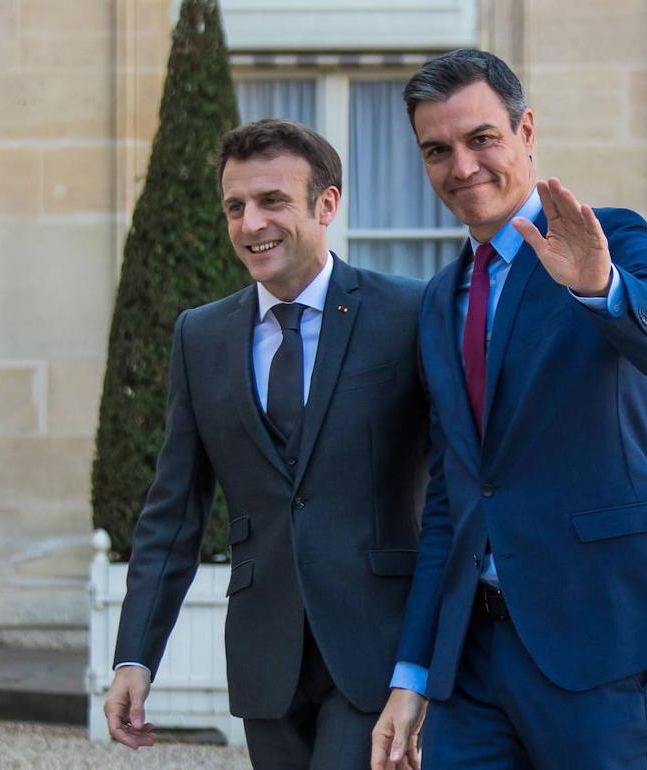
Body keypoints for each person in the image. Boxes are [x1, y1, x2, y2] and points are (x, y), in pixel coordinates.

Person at [370, 49, 647, 770]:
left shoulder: (610, 237)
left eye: (482, 138)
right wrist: (413, 672)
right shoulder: (438, 303)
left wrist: (600, 285)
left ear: (525, 131)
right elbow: (451, 498)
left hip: (599, 638)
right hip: (471, 661)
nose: (463, 167)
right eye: (437, 150)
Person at [105, 119, 428, 770]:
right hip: (264, 655)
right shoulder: (201, 336)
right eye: (235, 207)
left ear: (327, 204)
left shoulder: (407, 313)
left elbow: (456, 480)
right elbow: (174, 512)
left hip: (376, 647)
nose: (251, 223)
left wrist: (430, 662)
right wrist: (135, 655)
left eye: (271, 201)